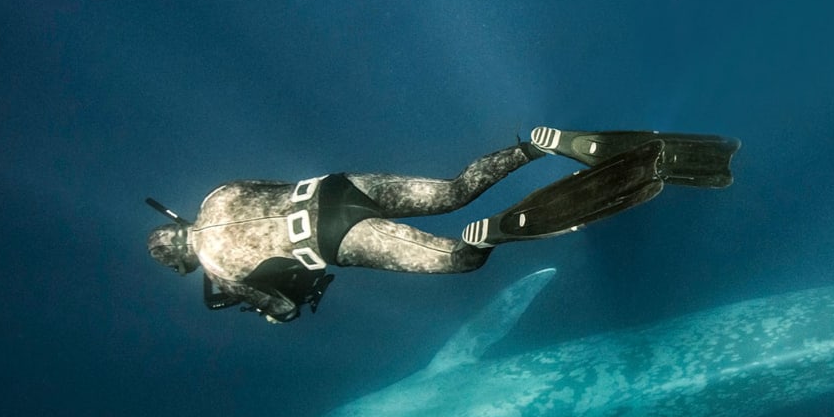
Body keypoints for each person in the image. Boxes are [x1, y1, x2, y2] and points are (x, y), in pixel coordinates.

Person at [145, 128, 740, 323]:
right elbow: (266, 186)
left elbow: (284, 308)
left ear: (184, 261)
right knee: (456, 188)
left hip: (335, 240)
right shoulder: (216, 195)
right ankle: (535, 147)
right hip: (338, 189)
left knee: (461, 257)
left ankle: (496, 232)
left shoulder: (220, 267)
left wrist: (266, 308)